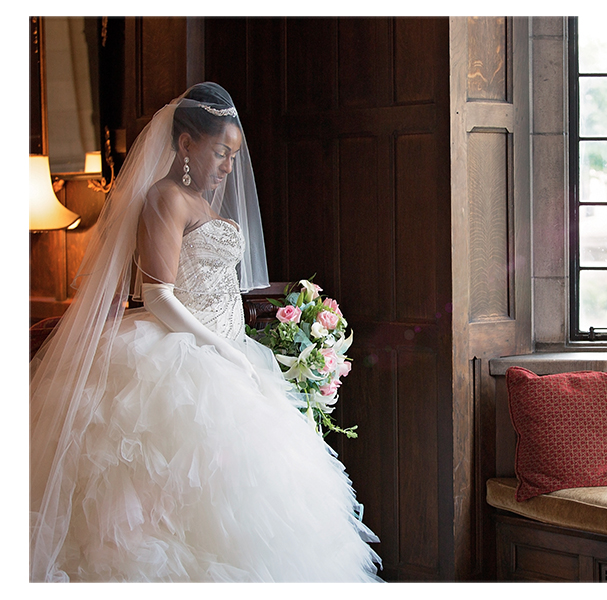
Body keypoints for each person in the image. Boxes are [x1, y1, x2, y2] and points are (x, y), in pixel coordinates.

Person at [29, 82, 382, 582]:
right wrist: (223, 349)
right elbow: (157, 295)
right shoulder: (163, 199)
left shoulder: (204, 205)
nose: (227, 167)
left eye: (233, 156)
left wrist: (239, 348)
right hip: (180, 358)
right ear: (185, 144)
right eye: (220, 152)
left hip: (226, 354)